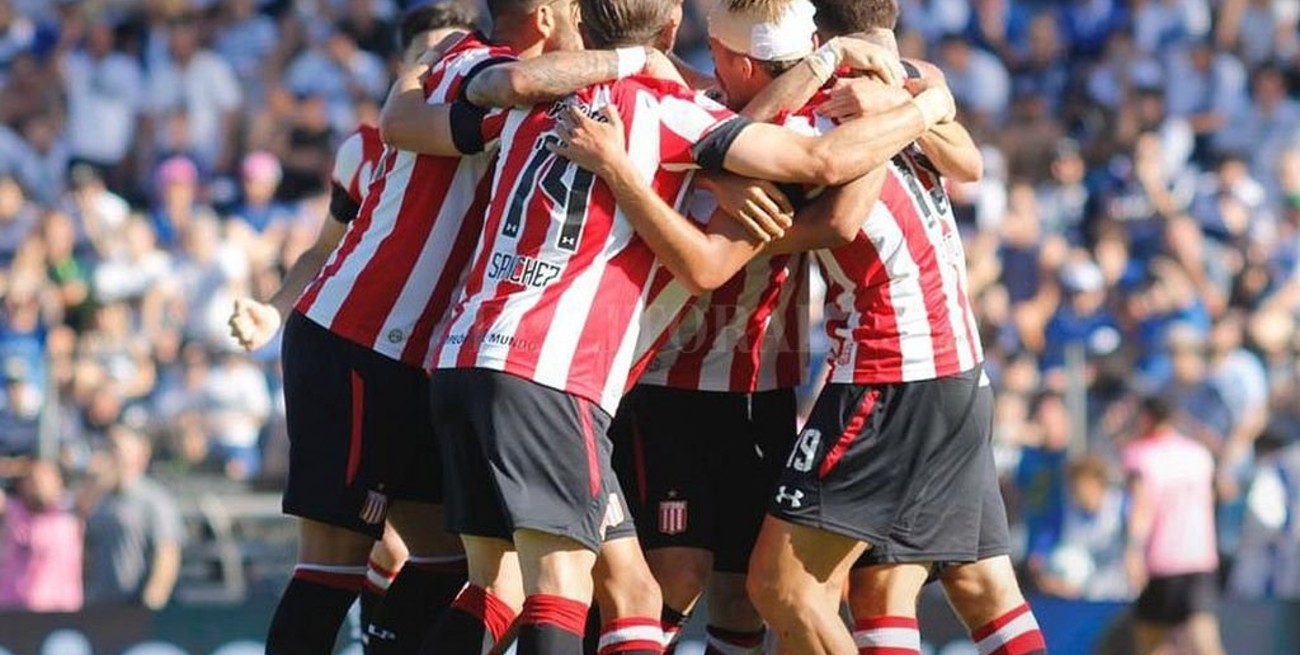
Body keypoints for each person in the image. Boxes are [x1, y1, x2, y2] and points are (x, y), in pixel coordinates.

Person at [428, 1, 950, 654]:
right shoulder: (687, 114)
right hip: (598, 374)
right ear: (676, 32)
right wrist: (922, 104)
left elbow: (488, 87)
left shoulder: (551, 94)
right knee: (617, 581)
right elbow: (803, 191)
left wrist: (712, 165)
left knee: (578, 588)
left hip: (486, 351)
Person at [229, 3, 670, 653]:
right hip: (360, 339)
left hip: (428, 356)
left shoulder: (459, 69)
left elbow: (403, 118)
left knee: (456, 564)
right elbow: (481, 98)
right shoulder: (495, 76)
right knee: (333, 564)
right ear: (545, 18)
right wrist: (639, 56)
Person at [1124, 395, 1225, 655]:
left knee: (1152, 641)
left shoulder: (1141, 454)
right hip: (1200, 557)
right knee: (1205, 640)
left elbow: (1142, 506)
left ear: (1147, 419)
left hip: (1162, 560)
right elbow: (1214, 496)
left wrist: (1134, 550)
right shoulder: (1200, 454)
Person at [80, 425, 184, 610]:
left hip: (135, 607)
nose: (110, 455)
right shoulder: (99, 499)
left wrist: (152, 600)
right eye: (108, 447)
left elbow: (167, 553)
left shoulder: (153, 500)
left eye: (117, 448)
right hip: (98, 605)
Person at [0, 460, 83, 612]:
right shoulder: (11, 512)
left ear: (58, 483)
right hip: (13, 610)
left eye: (45, 479)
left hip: (60, 610)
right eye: (33, 480)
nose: (39, 485)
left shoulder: (71, 513)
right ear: (22, 485)